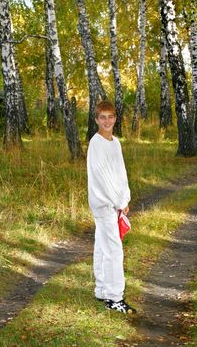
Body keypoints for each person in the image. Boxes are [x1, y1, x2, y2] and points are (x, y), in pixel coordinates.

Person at [87, 100, 136, 314]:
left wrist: (125, 198)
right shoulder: (96, 143)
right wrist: (118, 202)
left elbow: (120, 173)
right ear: (96, 119)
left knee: (102, 245)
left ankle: (101, 289)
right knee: (114, 250)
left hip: (115, 202)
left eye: (110, 116)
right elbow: (104, 178)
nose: (107, 121)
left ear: (115, 118)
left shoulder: (115, 142)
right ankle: (115, 298)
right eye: (102, 117)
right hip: (103, 203)